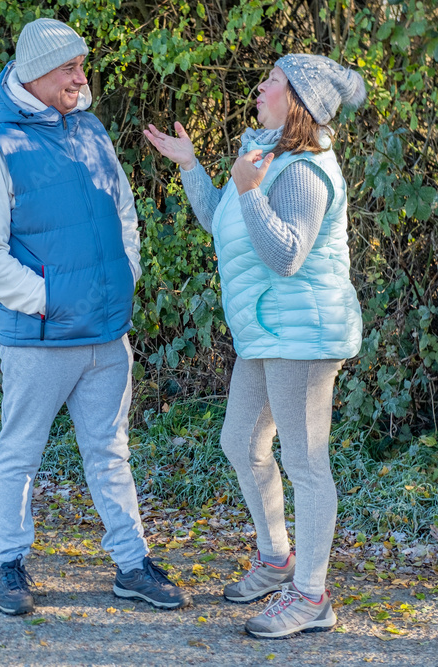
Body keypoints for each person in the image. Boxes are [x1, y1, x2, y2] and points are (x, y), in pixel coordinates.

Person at [0, 18, 190, 616]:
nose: (80, 78)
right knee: (21, 451)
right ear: (35, 73)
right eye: (69, 68)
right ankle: (7, 563)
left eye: (81, 66)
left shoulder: (91, 130)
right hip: (39, 338)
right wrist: (49, 299)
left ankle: (131, 563)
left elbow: (124, 209)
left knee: (110, 451)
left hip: (106, 336)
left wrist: (125, 275)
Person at [143, 54, 366, 638]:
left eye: (272, 79)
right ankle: (276, 561)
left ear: (299, 100)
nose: (260, 85)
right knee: (241, 441)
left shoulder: (305, 169)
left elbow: (287, 254)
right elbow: (223, 216)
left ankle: (311, 598)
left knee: (306, 463)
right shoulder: (266, 155)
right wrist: (192, 165)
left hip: (304, 332)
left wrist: (248, 192)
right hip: (268, 332)